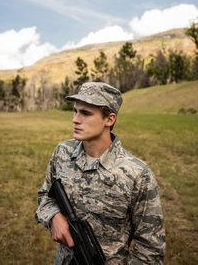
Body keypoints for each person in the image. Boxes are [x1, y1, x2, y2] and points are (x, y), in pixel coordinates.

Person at [36, 82, 166, 264]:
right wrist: (54, 217)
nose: (75, 119)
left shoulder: (137, 174)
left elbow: (150, 248)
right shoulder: (62, 153)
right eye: (75, 111)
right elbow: (44, 196)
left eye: (86, 113)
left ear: (109, 119)